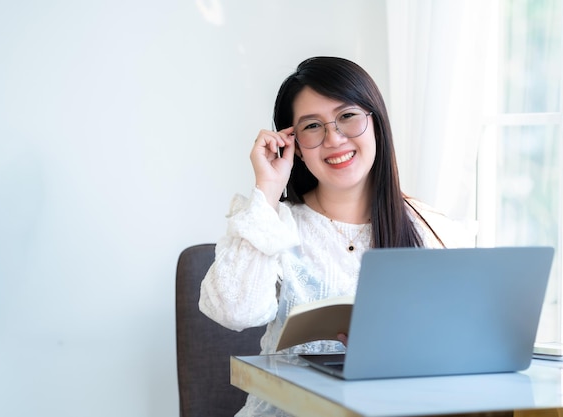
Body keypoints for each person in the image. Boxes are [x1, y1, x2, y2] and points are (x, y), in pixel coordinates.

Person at [199, 56, 468, 417]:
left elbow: (460, 347)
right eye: (312, 126)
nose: (334, 138)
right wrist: (267, 189)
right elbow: (234, 310)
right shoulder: (277, 225)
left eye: (347, 116)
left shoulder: (430, 227)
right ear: (292, 144)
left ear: (375, 122)